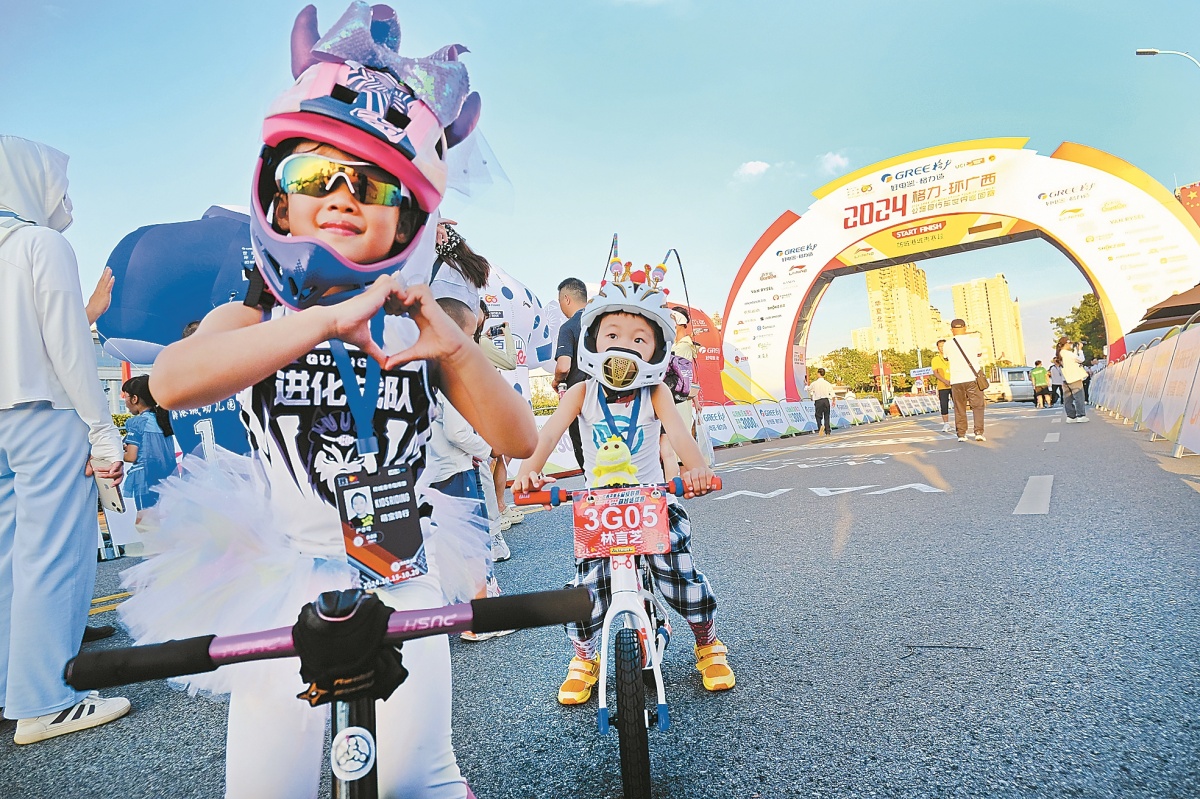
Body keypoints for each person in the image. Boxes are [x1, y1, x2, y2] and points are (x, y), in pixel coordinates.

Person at [119, 7, 535, 797]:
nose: (343, 193)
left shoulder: (422, 320)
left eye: (373, 183)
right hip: (285, 574)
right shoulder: (255, 310)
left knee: (423, 778)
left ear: (408, 215)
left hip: (401, 564)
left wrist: (453, 343)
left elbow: (516, 437)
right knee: (265, 786)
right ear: (276, 201)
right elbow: (173, 378)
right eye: (314, 177)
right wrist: (315, 320)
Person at [513, 260, 732, 704]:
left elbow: (680, 437)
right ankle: (584, 655)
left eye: (639, 339)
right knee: (585, 591)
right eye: (612, 336)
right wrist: (529, 468)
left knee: (679, 576)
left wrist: (697, 471)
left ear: (656, 350)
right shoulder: (581, 390)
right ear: (594, 339)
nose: (624, 347)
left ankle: (708, 642)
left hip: (652, 502)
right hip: (599, 509)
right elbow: (552, 431)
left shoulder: (657, 392)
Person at [0, 135, 131, 744]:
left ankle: (10, 687)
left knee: (6, 556)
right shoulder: (40, 244)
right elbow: (68, 349)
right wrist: (101, 432)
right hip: (44, 409)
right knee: (51, 550)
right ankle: (43, 700)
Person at [427, 296, 514, 641]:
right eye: (469, 333)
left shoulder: (420, 364)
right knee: (473, 541)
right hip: (455, 466)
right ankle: (481, 619)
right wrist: (489, 448)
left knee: (442, 544)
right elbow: (457, 429)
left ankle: (464, 612)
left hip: (431, 468)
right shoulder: (450, 370)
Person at [119, 374, 177, 519]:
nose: (125, 401)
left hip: (145, 479)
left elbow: (131, 456)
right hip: (168, 477)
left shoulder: (137, 423)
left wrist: (116, 452)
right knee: (164, 519)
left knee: (145, 523)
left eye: (125, 396)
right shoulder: (165, 420)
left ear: (134, 399)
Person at [553, 276, 590, 470]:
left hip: (580, 399)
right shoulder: (603, 320)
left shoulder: (568, 327)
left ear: (567, 299)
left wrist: (556, 380)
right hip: (610, 396)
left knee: (585, 451)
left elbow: (563, 366)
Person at [660, 306, 700, 479]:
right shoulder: (680, 345)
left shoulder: (683, 347)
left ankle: (680, 479)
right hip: (676, 397)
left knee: (672, 441)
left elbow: (684, 376)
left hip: (677, 397)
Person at [946, 318, 986, 442]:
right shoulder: (974, 341)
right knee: (978, 406)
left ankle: (961, 434)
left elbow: (946, 357)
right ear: (965, 328)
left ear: (952, 330)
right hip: (972, 378)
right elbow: (979, 354)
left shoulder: (948, 344)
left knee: (959, 407)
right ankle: (978, 432)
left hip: (956, 380)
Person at [1057, 336, 1090, 423]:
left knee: (1068, 398)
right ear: (1066, 343)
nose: (1071, 345)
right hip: (1074, 377)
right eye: (1070, 343)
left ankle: (1071, 417)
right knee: (1079, 397)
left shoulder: (1061, 353)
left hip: (1065, 378)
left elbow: (1073, 358)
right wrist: (1080, 350)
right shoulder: (1067, 353)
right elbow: (1080, 359)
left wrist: (1076, 350)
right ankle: (1081, 415)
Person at [930, 339, 953, 432]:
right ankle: (946, 424)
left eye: (944, 346)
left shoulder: (953, 357)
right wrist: (945, 381)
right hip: (942, 385)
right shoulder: (935, 359)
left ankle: (960, 423)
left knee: (959, 404)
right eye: (940, 346)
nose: (942, 348)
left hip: (954, 384)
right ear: (938, 348)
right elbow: (935, 373)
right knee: (944, 404)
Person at [809, 367, 834, 435]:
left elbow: (809, 389)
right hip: (826, 400)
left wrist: (806, 385)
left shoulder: (814, 383)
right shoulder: (827, 383)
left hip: (818, 401)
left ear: (818, 373)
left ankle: (820, 426)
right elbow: (832, 393)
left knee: (818, 415)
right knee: (827, 416)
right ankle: (828, 431)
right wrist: (834, 401)